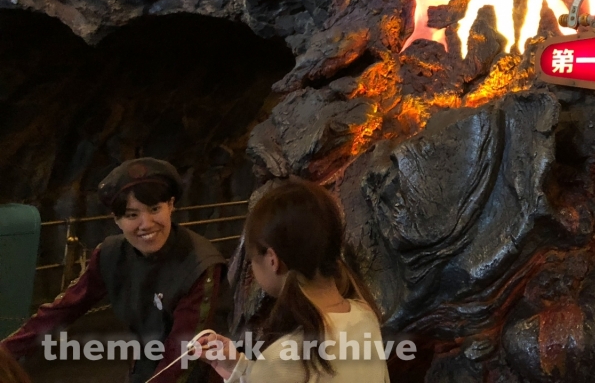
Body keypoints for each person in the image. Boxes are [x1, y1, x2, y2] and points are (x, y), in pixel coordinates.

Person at [1, 158, 225, 383]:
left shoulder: (200, 265)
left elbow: (184, 354)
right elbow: (63, 310)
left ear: (171, 205)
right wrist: (5, 353)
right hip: (145, 364)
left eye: (155, 209)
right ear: (116, 220)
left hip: (197, 372)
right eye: (131, 215)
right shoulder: (111, 254)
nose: (146, 223)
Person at [198, 179, 389, 383]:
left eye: (252, 260)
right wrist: (240, 367)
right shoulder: (365, 315)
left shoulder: (282, 359)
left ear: (273, 260)